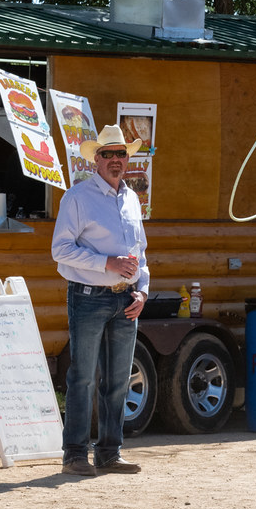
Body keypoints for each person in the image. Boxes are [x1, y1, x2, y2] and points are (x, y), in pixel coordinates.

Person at [51, 124, 150, 475]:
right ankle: (75, 454)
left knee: (118, 379)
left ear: (127, 159)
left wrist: (143, 290)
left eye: (121, 154)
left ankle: (109, 452)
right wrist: (106, 263)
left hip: (126, 299)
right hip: (89, 296)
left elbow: (141, 253)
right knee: (83, 378)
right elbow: (60, 251)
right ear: (96, 159)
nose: (115, 160)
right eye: (107, 154)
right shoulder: (77, 197)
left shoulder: (132, 198)